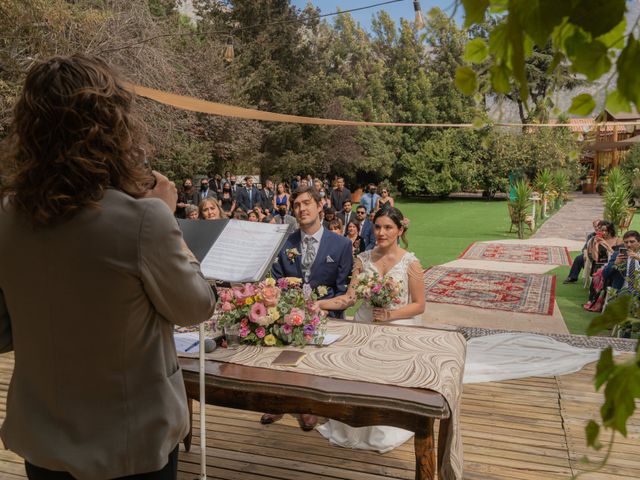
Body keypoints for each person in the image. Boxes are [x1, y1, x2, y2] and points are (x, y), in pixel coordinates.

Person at [0, 54, 216, 480]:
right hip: (130, 447)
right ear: (113, 126)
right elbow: (196, 307)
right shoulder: (142, 220)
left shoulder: (6, 217)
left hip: (43, 442)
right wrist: (165, 217)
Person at [315, 207, 425, 453]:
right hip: (364, 326)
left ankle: (385, 424)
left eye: (388, 227)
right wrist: (319, 304)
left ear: (400, 230)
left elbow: (419, 305)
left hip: (396, 328)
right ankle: (352, 425)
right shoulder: (362, 260)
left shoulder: (411, 263)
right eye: (377, 227)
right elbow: (350, 298)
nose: (381, 232)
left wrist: (391, 315)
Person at [262, 185, 353, 431]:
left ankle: (308, 407)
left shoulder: (341, 245)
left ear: (319, 205)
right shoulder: (285, 243)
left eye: (306, 203)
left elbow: (343, 290)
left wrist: (321, 307)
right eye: (297, 205)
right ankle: (279, 402)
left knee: (314, 363)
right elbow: (277, 281)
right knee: (280, 359)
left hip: (327, 316)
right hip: (287, 315)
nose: (301, 209)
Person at [563, 218, 601, 284]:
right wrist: (585, 254)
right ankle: (572, 277)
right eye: (595, 226)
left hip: (600, 256)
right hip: (590, 255)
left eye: (598, 226)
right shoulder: (591, 235)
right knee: (579, 258)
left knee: (589, 261)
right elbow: (585, 248)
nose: (597, 228)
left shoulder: (604, 235)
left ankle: (591, 275)